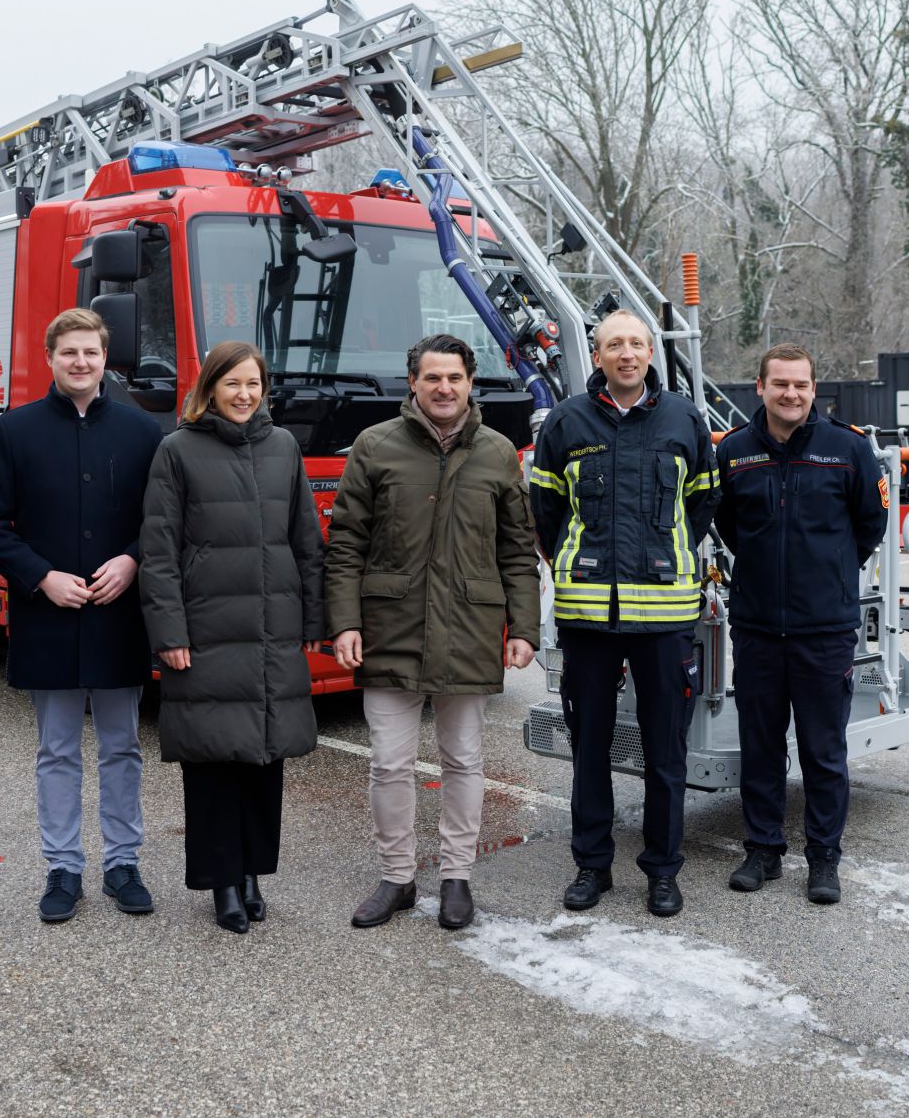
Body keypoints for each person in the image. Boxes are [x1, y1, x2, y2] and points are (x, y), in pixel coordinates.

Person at [326, 333, 540, 931]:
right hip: (389, 625)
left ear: (471, 383)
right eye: (432, 378)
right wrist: (343, 620)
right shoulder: (375, 446)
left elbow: (518, 551)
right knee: (390, 763)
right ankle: (396, 878)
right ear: (412, 383)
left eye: (455, 378)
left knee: (464, 759)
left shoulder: (499, 452)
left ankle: (456, 878)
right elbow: (345, 544)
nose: (444, 388)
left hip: (469, 626)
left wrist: (524, 625)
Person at [0, 307, 163, 924]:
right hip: (47, 615)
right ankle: (62, 867)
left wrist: (132, 561)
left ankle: (123, 863)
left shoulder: (141, 432)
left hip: (118, 614)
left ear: (107, 359)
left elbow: (162, 522)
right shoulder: (16, 430)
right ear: (49, 358)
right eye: (69, 352)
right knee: (55, 749)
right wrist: (39, 576)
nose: (81, 362)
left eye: (92, 352)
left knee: (122, 746)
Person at [529, 309, 719, 919]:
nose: (627, 353)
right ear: (598, 353)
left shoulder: (685, 419)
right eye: (615, 344)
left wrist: (669, 557)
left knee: (665, 756)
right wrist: (575, 562)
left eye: (637, 343)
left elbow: (701, 505)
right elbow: (546, 511)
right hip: (587, 618)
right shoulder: (566, 421)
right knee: (590, 749)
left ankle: (663, 872)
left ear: (650, 353)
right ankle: (592, 866)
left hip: (665, 620)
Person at [139, 342, 325, 934]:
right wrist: (168, 631)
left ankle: (251, 873)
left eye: (254, 384)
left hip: (273, 631)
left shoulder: (284, 446)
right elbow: (159, 551)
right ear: (210, 388)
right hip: (208, 630)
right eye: (232, 384)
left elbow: (306, 541)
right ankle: (222, 882)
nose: (244, 395)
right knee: (214, 762)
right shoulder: (177, 450)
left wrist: (315, 620)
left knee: (265, 760)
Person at [714, 343, 886, 904]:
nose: (791, 394)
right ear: (759, 387)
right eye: (780, 384)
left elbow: (870, 525)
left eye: (802, 385)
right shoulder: (735, 452)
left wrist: (828, 575)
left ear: (815, 390)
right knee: (759, 745)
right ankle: (762, 851)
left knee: (822, 750)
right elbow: (729, 528)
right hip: (759, 627)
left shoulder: (848, 449)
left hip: (824, 629)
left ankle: (823, 858)